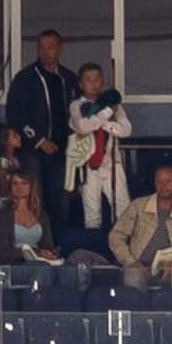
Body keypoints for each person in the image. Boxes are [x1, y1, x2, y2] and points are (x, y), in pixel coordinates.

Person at [109, 160, 172, 289]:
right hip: (141, 268)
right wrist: (130, 262)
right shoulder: (138, 206)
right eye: (159, 181)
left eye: (168, 181)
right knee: (132, 277)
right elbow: (116, 236)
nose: (163, 186)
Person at [3, 28, 74, 194]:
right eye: (41, 48)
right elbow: (14, 113)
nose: (46, 52)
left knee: (61, 203)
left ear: (60, 48)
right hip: (32, 150)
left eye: (50, 47)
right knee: (34, 197)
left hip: (62, 150)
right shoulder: (25, 77)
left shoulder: (68, 78)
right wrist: (39, 140)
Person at [64, 62, 133, 233]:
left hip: (111, 162)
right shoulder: (77, 106)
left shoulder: (113, 104)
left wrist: (104, 124)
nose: (93, 83)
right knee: (92, 214)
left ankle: (122, 247)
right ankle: (94, 250)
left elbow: (126, 130)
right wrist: (107, 114)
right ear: (81, 84)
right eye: (88, 80)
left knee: (123, 209)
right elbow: (82, 127)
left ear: (102, 81)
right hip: (88, 165)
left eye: (96, 79)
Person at [0, 166, 62, 267]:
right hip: (15, 264)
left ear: (31, 186)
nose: (19, 187)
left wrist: (51, 253)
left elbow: (48, 246)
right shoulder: (4, 215)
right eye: (15, 183)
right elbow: (5, 253)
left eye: (24, 183)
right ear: (10, 187)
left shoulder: (41, 215)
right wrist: (37, 253)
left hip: (40, 263)